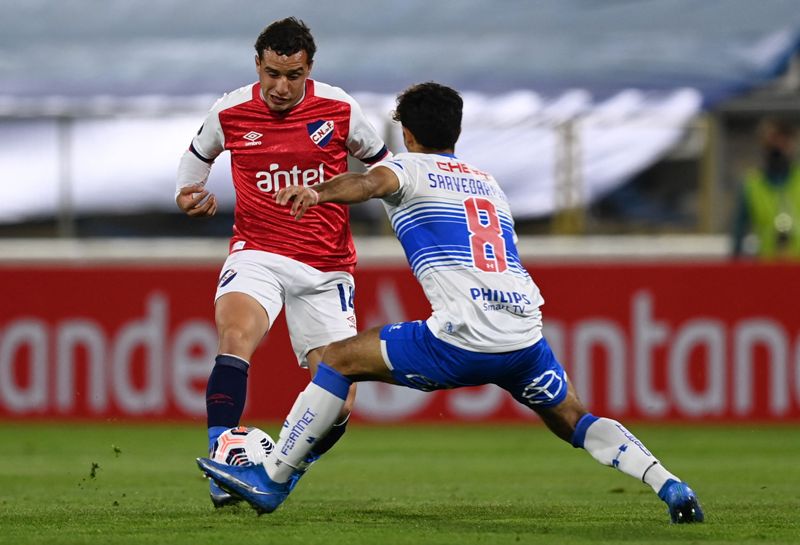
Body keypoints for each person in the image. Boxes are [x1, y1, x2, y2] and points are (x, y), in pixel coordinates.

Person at [197, 82, 704, 524]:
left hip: (462, 336)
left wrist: (319, 190)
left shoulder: (409, 169)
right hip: (524, 334)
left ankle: (274, 478)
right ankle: (670, 485)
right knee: (575, 418)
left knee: (337, 360)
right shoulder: (488, 183)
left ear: (408, 135)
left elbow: (370, 181)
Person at [175, 17, 389, 507]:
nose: (281, 86)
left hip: (326, 267)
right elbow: (196, 158)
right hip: (258, 252)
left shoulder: (340, 108)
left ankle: (281, 472)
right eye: (272, 73)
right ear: (258, 65)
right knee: (234, 337)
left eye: (292, 75)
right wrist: (187, 195)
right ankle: (221, 458)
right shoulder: (230, 110)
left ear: (308, 68)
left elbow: (382, 169)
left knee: (339, 399)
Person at [731, 117, 800, 260]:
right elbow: (739, 231)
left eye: (784, 142)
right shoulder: (752, 185)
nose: (778, 148)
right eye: (773, 142)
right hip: (766, 268)